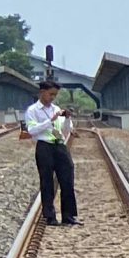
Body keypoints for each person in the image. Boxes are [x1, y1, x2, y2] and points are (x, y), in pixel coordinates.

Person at [22, 81, 77, 225]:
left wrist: (67, 118)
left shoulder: (56, 108)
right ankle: (50, 216)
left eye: (55, 95)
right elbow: (32, 130)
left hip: (59, 145)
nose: (53, 97)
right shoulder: (33, 110)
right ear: (42, 92)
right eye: (51, 94)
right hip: (44, 146)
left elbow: (66, 130)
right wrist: (50, 121)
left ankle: (68, 215)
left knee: (67, 178)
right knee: (47, 181)